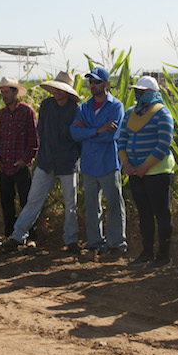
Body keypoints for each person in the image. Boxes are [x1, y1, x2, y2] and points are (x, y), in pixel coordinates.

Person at [0, 71, 82, 252]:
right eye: (56, 88)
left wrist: (73, 156)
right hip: (46, 162)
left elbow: (79, 139)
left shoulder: (76, 110)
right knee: (33, 200)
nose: (58, 91)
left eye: (62, 89)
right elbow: (41, 132)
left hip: (68, 163)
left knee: (70, 203)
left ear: (68, 92)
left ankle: (71, 240)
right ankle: (17, 236)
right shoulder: (46, 105)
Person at [119, 75, 176, 268]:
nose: (138, 95)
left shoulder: (162, 113)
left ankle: (164, 256)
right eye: (137, 91)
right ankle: (146, 253)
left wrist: (145, 165)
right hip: (135, 171)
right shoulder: (130, 113)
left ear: (152, 93)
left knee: (161, 213)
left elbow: (163, 144)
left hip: (157, 171)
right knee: (144, 214)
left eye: (142, 92)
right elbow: (122, 139)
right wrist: (126, 162)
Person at [70, 66, 127, 255]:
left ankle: (116, 243)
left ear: (106, 84)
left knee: (114, 204)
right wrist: (98, 129)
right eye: (90, 81)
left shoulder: (116, 106)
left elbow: (112, 136)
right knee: (92, 206)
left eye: (96, 81)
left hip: (108, 163)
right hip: (88, 164)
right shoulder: (84, 107)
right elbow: (74, 133)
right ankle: (95, 242)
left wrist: (88, 131)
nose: (92, 85)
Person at [0, 76, 38, 240]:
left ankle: (31, 237)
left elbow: (33, 140)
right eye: (2, 92)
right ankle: (9, 235)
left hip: (21, 166)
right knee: (7, 202)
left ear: (15, 92)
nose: (4, 95)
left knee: (26, 202)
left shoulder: (27, 112)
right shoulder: (2, 114)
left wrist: (24, 160)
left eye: (7, 92)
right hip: (4, 164)